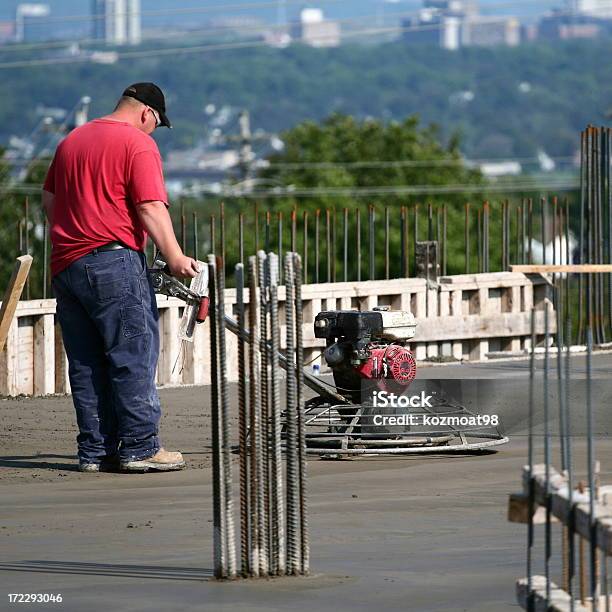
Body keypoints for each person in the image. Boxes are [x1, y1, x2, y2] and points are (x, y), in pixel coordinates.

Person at [42, 82, 199, 473]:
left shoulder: (72, 141)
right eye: (156, 124)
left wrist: (77, 233)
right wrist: (175, 256)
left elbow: (50, 200)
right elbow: (149, 205)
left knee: (86, 362)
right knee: (132, 354)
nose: (153, 131)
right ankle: (141, 447)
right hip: (113, 261)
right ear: (147, 113)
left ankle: (95, 452)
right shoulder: (137, 143)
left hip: (67, 264)